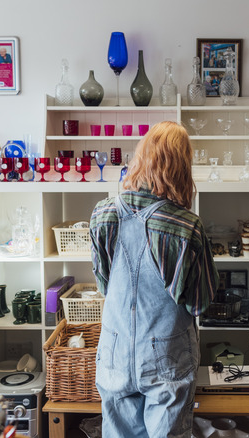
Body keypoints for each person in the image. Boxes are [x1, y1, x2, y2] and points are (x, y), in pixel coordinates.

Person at [90, 121, 218, 438]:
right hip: (168, 355)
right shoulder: (187, 226)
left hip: (115, 351)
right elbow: (201, 302)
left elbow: (104, 285)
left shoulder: (102, 214)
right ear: (182, 167)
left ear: (141, 157)